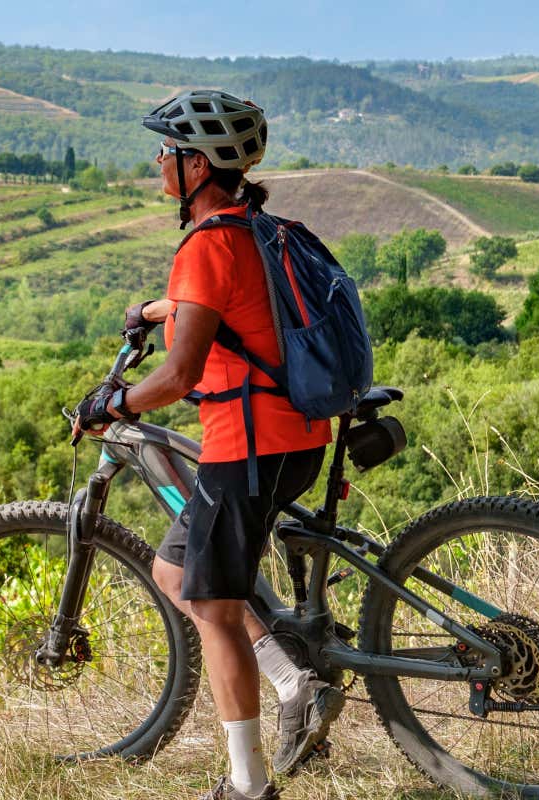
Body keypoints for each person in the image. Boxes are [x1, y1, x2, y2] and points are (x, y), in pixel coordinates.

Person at [72, 90, 345, 800]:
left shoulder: (203, 245)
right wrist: (155, 309)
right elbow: (229, 305)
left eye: (167, 150)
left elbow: (179, 374)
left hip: (248, 448)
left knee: (217, 611)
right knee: (177, 574)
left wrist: (112, 402)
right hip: (295, 435)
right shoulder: (252, 227)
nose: (159, 162)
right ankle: (294, 681)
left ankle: (247, 786)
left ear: (198, 164)